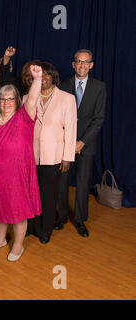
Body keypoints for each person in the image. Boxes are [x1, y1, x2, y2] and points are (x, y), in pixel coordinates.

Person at [0, 65, 43, 262]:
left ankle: (18, 245)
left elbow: (32, 99)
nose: (6, 102)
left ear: (17, 100)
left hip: (16, 174)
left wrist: (37, 78)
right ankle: (0, 239)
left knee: (17, 210)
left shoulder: (24, 117)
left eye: (10, 98)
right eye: (2, 98)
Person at [56, 49, 107, 237]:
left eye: (86, 62)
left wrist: (81, 142)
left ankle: (79, 219)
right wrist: (68, 142)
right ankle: (61, 216)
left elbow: (99, 119)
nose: (82, 65)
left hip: (86, 144)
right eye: (79, 61)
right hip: (64, 143)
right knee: (62, 182)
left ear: (91, 65)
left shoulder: (99, 87)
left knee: (83, 183)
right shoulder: (63, 85)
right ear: (73, 64)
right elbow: (58, 117)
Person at [25, 62, 77, 244]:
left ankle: (45, 230)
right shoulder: (27, 98)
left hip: (54, 156)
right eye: (41, 74)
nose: (44, 78)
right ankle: (30, 227)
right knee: (30, 193)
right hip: (30, 155)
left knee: (48, 195)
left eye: (47, 74)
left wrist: (67, 157)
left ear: (53, 76)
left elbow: (71, 130)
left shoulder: (67, 98)